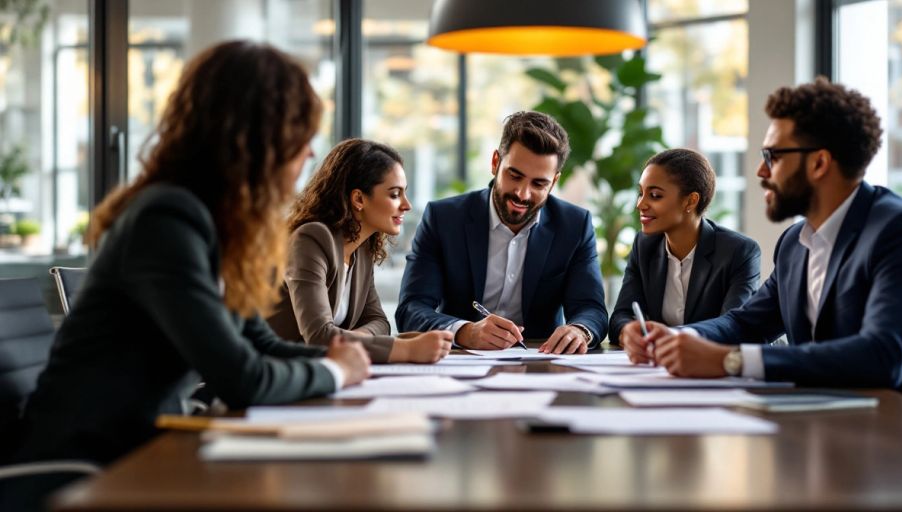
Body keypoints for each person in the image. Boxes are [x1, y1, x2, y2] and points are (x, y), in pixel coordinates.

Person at [12, 41, 372, 471]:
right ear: (254, 139)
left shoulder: (215, 224)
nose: (310, 153)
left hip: (149, 447)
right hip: (90, 465)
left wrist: (351, 362)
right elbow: (242, 378)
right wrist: (335, 371)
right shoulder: (165, 219)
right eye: (301, 137)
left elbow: (260, 345)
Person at [621, 78, 902, 410]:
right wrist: (675, 337)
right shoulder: (795, 243)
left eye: (773, 157)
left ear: (820, 162)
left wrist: (729, 360)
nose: (762, 172)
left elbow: (883, 356)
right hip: (833, 423)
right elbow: (745, 323)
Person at [396, 111, 608, 354]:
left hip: (541, 363)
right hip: (459, 363)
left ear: (555, 181)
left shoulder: (575, 226)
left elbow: (591, 309)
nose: (522, 194)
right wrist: (465, 331)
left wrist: (580, 330)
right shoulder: (443, 219)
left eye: (538, 184)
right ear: (496, 162)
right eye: (514, 175)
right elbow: (411, 309)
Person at [267, 138, 453, 363]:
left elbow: (379, 322)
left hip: (318, 374)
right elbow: (319, 336)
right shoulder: (311, 239)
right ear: (358, 199)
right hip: (271, 378)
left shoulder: (361, 250)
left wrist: (351, 339)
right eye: (395, 194)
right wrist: (407, 349)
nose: (407, 205)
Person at [609, 148, 760, 345]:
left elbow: (734, 326)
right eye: (641, 193)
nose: (640, 204)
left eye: (654, 195)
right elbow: (622, 315)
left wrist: (673, 337)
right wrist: (628, 332)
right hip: (659, 367)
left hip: (713, 367)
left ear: (690, 201)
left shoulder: (739, 252)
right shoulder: (644, 245)